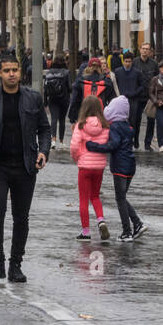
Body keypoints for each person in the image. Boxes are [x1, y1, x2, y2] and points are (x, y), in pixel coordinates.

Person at [0, 57, 51, 283]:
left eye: (14, 70)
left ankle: (16, 265)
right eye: (7, 71)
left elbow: (45, 130)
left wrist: (44, 151)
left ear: (19, 72)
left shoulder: (33, 98)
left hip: (26, 167)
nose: (11, 74)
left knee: (21, 217)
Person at [85, 96, 145, 241]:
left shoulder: (115, 127)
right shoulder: (127, 125)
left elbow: (113, 145)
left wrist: (94, 146)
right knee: (122, 197)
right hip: (130, 166)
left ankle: (127, 231)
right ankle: (137, 224)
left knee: (120, 198)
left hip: (120, 167)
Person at [70, 95, 111, 241]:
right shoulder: (105, 126)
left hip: (85, 167)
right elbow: (106, 144)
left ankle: (86, 232)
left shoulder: (80, 125)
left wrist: (78, 157)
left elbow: (74, 146)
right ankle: (101, 220)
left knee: (83, 199)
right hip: (99, 167)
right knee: (95, 196)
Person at [67, 58, 114, 124]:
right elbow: (112, 101)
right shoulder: (107, 82)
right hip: (101, 117)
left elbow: (74, 101)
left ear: (88, 67)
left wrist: (72, 118)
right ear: (100, 67)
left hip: (84, 117)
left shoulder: (80, 81)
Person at [111, 50, 147, 132]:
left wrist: (135, 93)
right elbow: (114, 85)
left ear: (132, 62)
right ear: (123, 61)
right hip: (120, 100)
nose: (127, 63)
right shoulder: (117, 72)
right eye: (126, 61)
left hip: (133, 100)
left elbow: (142, 85)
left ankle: (134, 139)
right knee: (121, 120)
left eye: (129, 62)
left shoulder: (137, 72)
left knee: (134, 121)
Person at [42, 57, 71, 147]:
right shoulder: (66, 72)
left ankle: (53, 139)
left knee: (53, 119)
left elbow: (45, 88)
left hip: (52, 99)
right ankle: (61, 141)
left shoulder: (49, 73)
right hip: (64, 99)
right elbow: (70, 87)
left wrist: (45, 101)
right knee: (62, 120)